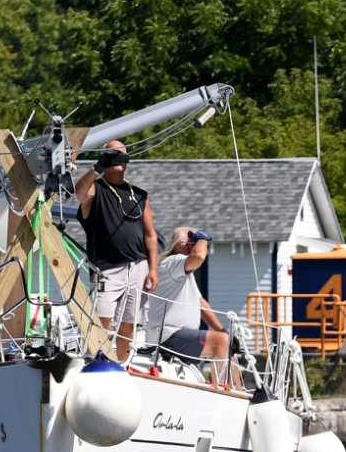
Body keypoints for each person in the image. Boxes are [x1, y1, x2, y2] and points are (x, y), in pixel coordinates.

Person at [75, 140, 157, 361]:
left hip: (137, 266)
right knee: (103, 320)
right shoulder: (96, 188)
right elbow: (79, 193)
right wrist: (97, 168)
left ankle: (121, 364)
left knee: (129, 323)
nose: (117, 159)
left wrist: (153, 270)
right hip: (107, 269)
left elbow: (150, 235)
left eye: (121, 155)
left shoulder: (139, 194)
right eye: (112, 154)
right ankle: (98, 360)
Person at [152, 226, 234, 382]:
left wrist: (222, 330)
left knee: (226, 341)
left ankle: (235, 392)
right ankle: (222, 392)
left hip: (177, 334)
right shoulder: (172, 262)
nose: (195, 246)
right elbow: (199, 257)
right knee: (221, 342)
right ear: (179, 244)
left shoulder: (183, 272)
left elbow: (200, 303)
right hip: (169, 334)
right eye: (192, 242)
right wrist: (202, 237)